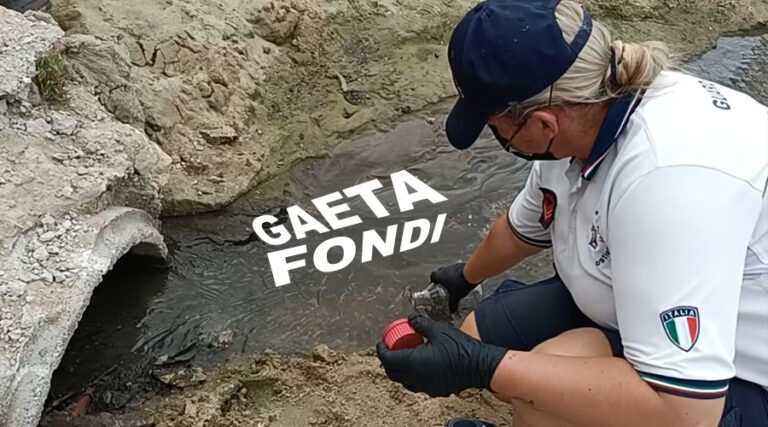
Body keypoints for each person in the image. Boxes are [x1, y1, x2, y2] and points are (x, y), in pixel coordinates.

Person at [376, 0, 768, 426]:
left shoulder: (667, 180)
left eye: (496, 129)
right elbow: (520, 231)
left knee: (541, 394)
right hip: (630, 298)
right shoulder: (583, 111)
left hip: (738, 375)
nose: (498, 139)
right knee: (477, 334)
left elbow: (685, 412)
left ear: (543, 123)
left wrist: (481, 367)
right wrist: (462, 279)